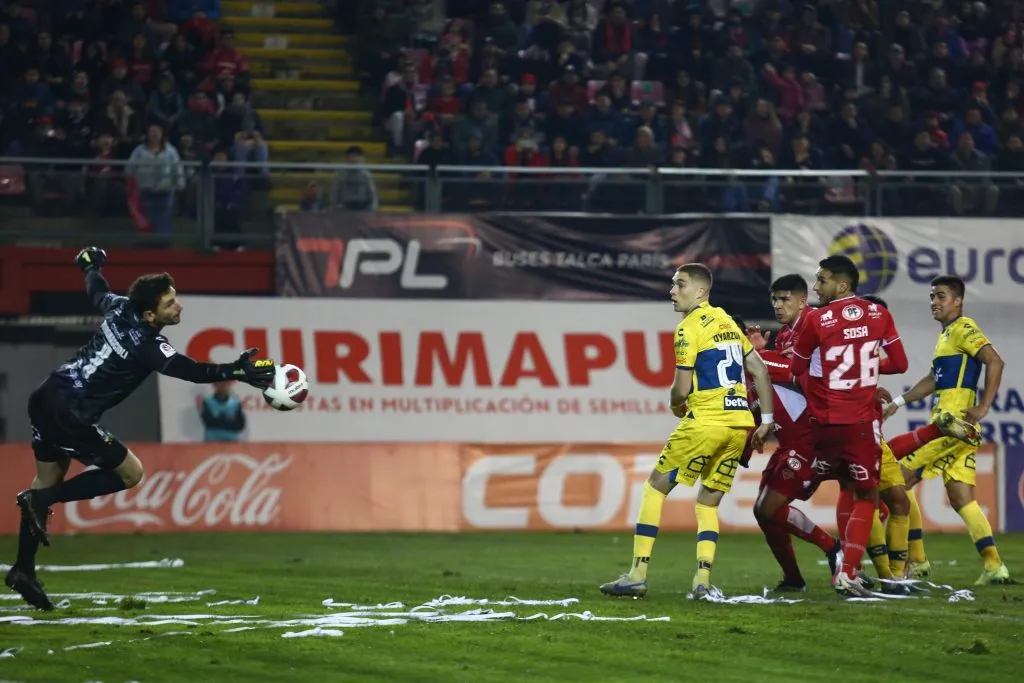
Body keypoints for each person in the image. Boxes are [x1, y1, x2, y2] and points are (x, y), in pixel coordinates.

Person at [5, 247, 275, 611]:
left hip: (45, 397)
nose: (178, 307)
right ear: (150, 315)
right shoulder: (149, 345)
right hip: (71, 415)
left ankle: (23, 569)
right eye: (170, 303)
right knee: (130, 472)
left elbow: (96, 290)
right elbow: (191, 370)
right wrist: (238, 370)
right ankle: (41, 504)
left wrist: (90, 265)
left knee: (45, 482)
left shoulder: (119, 307)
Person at [599, 264, 776, 599]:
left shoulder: (688, 328)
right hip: (739, 426)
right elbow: (760, 371)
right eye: (672, 284)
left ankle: (637, 573)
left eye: (679, 284)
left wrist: (676, 405)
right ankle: (702, 582)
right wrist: (766, 421)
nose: (672, 290)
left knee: (654, 488)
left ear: (700, 291)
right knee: (708, 505)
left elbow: (680, 391)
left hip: (706, 422)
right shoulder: (726, 320)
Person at [790, 255, 909, 597]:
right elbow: (900, 364)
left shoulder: (815, 320)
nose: (816, 287)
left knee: (837, 485)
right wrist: (867, 367)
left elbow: (798, 367)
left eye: (822, 280)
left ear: (841, 285)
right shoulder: (879, 315)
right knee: (865, 494)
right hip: (859, 424)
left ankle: (839, 560)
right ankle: (848, 571)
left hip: (825, 423)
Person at [885, 275, 1012, 585]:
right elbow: (933, 379)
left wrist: (983, 406)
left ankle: (916, 561)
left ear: (958, 301)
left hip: (951, 425)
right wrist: (898, 401)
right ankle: (994, 566)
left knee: (896, 480)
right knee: (960, 496)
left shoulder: (964, 328)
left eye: (941, 296)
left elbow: (994, 361)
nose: (935, 302)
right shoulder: (946, 336)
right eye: (932, 296)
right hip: (957, 427)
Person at [747, 275, 840, 592]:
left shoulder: (815, 323)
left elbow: (793, 372)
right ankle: (794, 578)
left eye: (785, 299)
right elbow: (779, 383)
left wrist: (755, 358)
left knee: (769, 507)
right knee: (763, 512)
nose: (777, 305)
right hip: (790, 440)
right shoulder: (786, 335)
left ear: (803, 301)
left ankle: (835, 549)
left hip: (815, 435)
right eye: (774, 299)